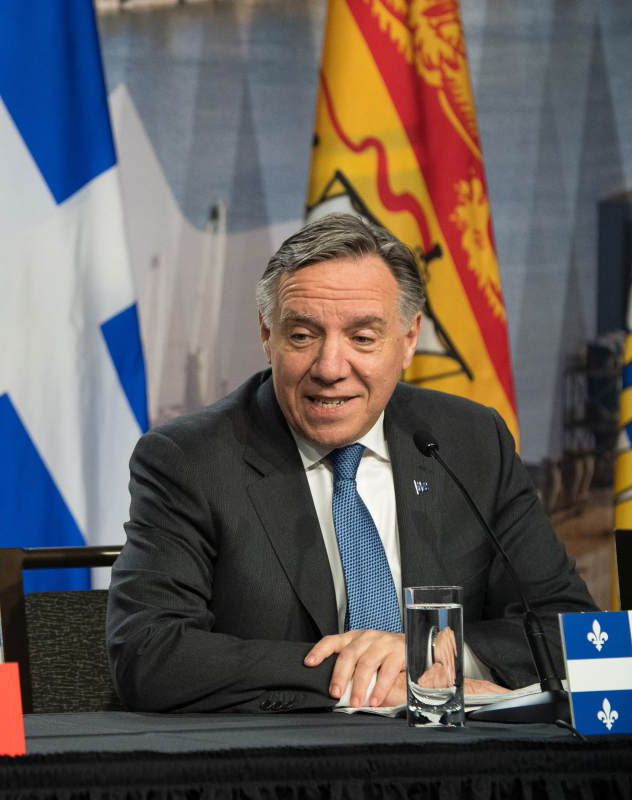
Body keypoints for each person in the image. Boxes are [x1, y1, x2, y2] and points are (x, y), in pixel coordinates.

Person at [106, 213, 597, 713]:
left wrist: (428, 659)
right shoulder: (190, 460)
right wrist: (369, 680)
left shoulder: (471, 442)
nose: (330, 367)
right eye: (302, 336)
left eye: (363, 338)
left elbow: (576, 635)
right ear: (267, 335)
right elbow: (150, 653)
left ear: (408, 340)